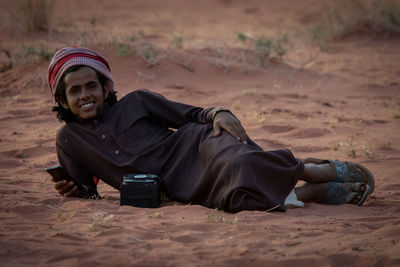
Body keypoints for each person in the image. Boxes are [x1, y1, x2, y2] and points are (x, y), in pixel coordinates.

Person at [48, 47, 375, 212]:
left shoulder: (136, 101)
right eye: (74, 92)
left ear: (106, 88)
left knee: (241, 163)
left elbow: (191, 115)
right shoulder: (70, 140)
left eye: (91, 86)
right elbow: (88, 192)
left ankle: (311, 171)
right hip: (175, 188)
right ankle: (309, 195)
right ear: (63, 100)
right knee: (237, 202)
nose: (84, 96)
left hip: (196, 147)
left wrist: (219, 114)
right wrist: (74, 191)